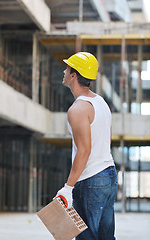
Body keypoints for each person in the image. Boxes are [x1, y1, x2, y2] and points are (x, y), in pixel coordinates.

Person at [54, 52, 118, 240]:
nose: (64, 71)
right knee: (106, 237)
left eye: (67, 68)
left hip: (91, 179)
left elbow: (84, 150)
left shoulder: (78, 109)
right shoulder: (101, 103)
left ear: (74, 75)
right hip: (108, 174)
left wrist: (68, 187)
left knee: (86, 237)